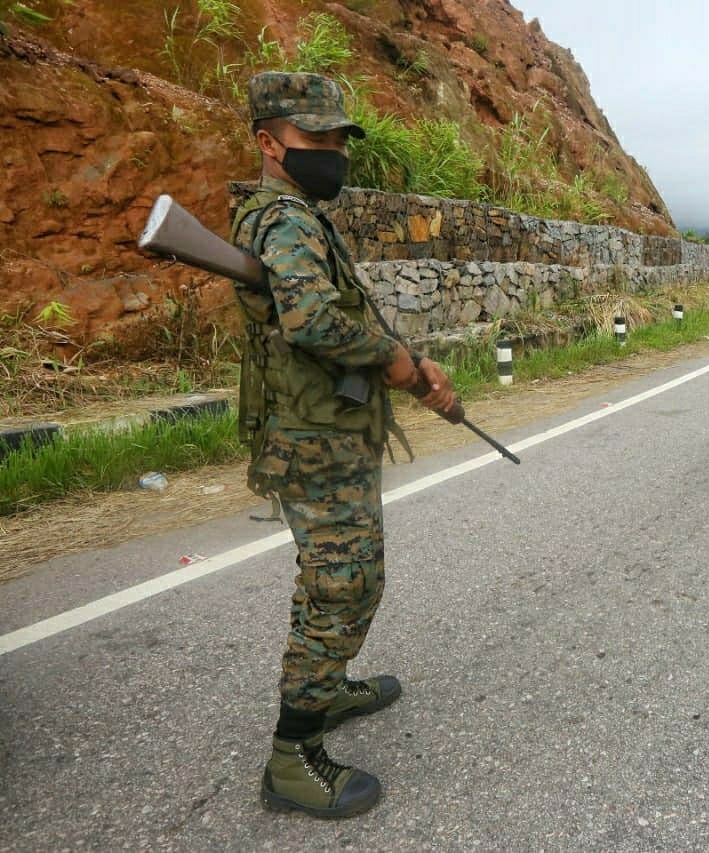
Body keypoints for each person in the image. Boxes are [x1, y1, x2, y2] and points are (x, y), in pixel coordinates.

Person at [230, 71, 456, 819]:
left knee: (356, 578)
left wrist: (414, 367)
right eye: (315, 138)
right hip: (311, 440)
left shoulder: (299, 214)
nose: (332, 152)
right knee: (339, 585)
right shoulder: (283, 218)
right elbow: (315, 324)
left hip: (330, 431)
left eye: (336, 138)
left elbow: (338, 312)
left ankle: (329, 687)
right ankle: (293, 756)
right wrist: (402, 363)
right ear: (269, 143)